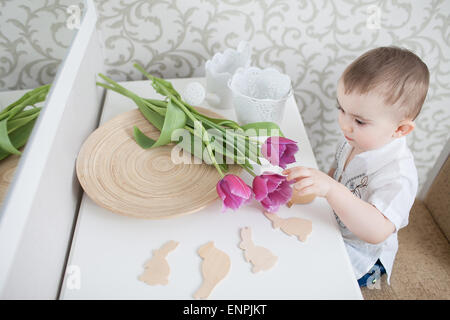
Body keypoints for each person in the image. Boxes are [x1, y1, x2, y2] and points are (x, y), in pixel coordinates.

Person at [282, 46, 429, 287]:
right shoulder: (356, 137)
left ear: (400, 129)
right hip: (336, 221)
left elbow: (376, 231)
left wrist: (331, 189)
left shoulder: (398, 175)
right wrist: (320, 186)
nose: (345, 124)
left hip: (363, 256)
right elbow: (337, 172)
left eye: (359, 120)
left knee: (306, 277)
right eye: (341, 108)